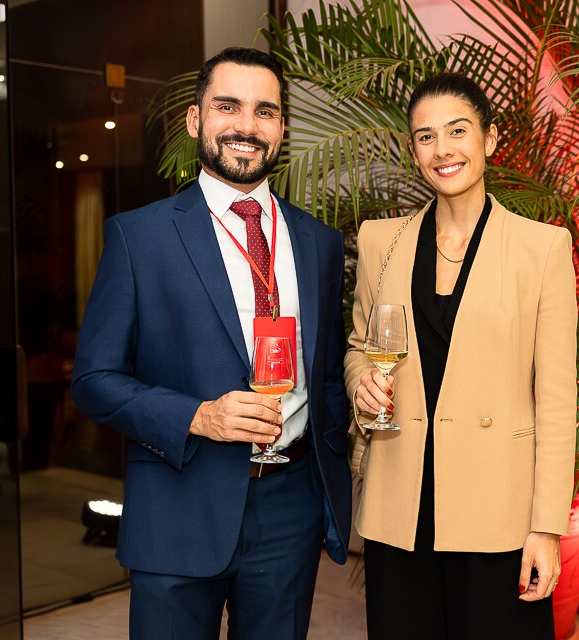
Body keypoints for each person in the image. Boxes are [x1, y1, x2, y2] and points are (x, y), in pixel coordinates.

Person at [71, 47, 351, 640]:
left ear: (282, 127)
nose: (246, 126)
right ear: (196, 120)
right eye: (228, 107)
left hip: (288, 511)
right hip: (178, 503)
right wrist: (197, 416)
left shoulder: (320, 242)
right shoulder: (138, 237)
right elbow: (94, 381)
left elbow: (326, 375)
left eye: (265, 111)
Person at [345, 73, 578, 638]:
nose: (442, 149)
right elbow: (358, 347)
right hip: (402, 503)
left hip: (497, 508)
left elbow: (555, 398)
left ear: (490, 139)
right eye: (425, 136)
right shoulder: (381, 241)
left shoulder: (541, 248)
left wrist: (546, 528)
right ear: (413, 150)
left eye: (457, 131)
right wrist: (360, 384)